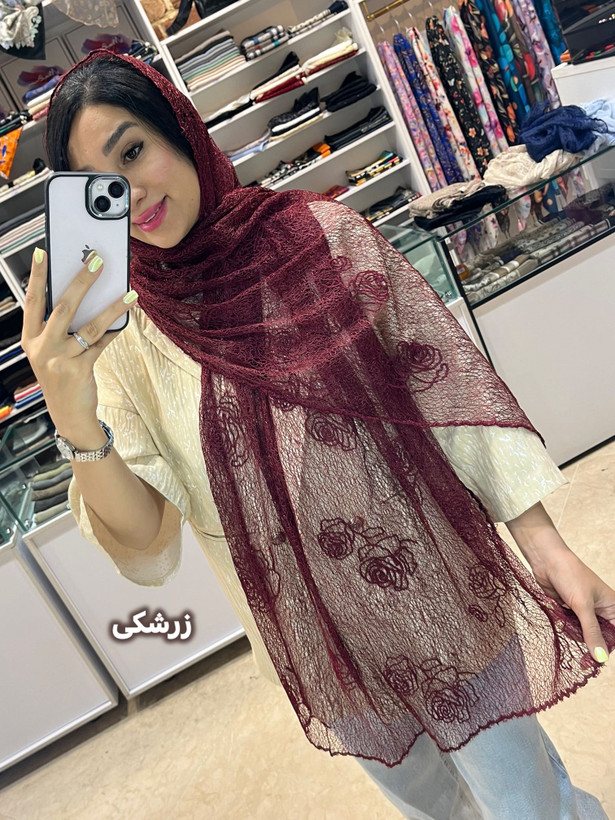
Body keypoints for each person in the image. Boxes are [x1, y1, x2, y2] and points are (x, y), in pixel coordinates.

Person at [22, 50, 614, 819]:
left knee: (524, 807)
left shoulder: (322, 238)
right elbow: (145, 541)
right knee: (436, 809)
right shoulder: (126, 337)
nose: (128, 196)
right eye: (98, 185)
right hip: (320, 645)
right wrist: (72, 411)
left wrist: (546, 547)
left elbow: (446, 397)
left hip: (434, 594)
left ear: (181, 131)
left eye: (133, 151)